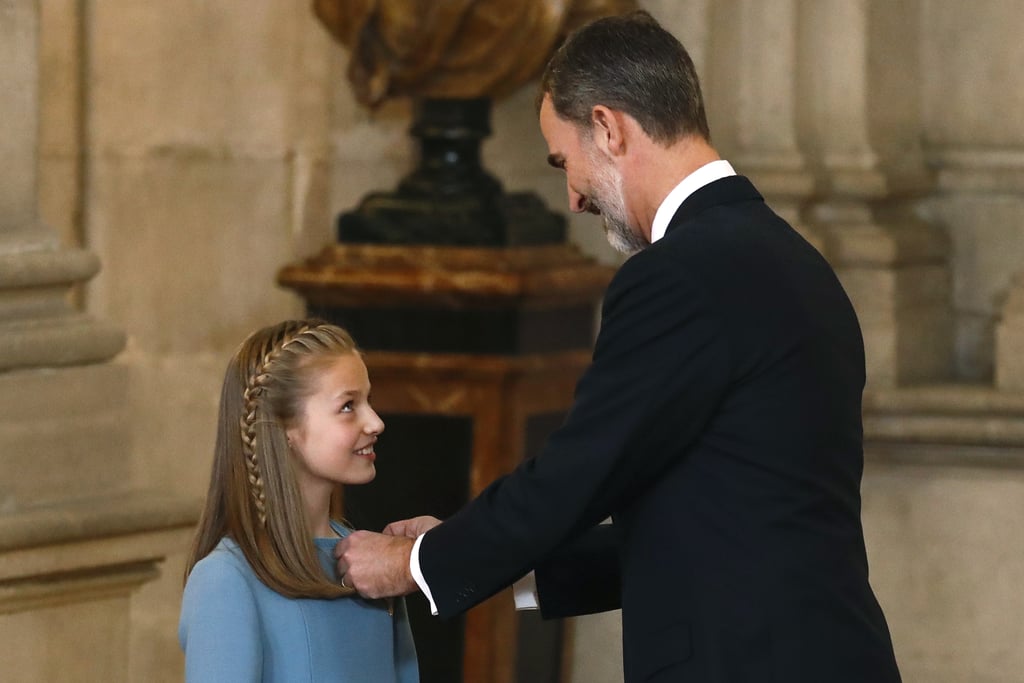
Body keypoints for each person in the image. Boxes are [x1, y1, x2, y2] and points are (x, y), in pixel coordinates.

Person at [334, 10, 902, 682]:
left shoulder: (678, 276)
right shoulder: (795, 262)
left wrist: (412, 563)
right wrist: (464, 549)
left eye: (562, 161)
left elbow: (574, 474)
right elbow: (715, 525)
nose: (572, 197)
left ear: (608, 128)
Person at [179, 319, 419, 682]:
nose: (375, 422)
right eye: (348, 406)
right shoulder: (226, 580)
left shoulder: (370, 565)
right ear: (285, 427)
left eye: (368, 400)